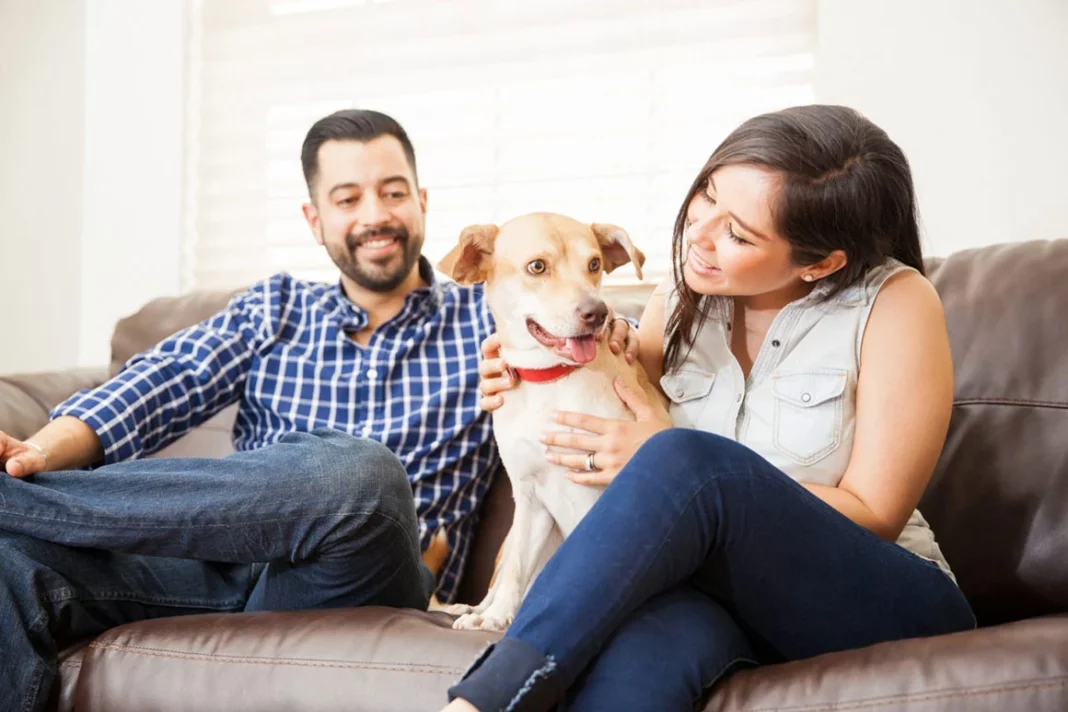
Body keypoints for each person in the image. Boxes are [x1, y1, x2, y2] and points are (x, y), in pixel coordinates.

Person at [0, 107, 640, 712]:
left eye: (393, 192)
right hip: (219, 568)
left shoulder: (499, 310)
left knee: (362, 472)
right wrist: (37, 453)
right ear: (314, 219)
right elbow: (157, 383)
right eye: (347, 199)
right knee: (10, 566)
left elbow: (585, 320)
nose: (376, 215)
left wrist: (619, 335)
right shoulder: (274, 308)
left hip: (364, 571)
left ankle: (18, 502)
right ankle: (18, 498)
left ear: (422, 202)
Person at [444, 105, 977, 712]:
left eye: (738, 234)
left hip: (874, 594)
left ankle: (481, 701)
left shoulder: (895, 303)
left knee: (690, 461)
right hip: (719, 597)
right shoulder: (682, 288)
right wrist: (528, 366)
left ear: (820, 262)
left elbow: (874, 513)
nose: (698, 234)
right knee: (638, 668)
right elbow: (621, 392)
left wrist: (685, 473)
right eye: (707, 196)